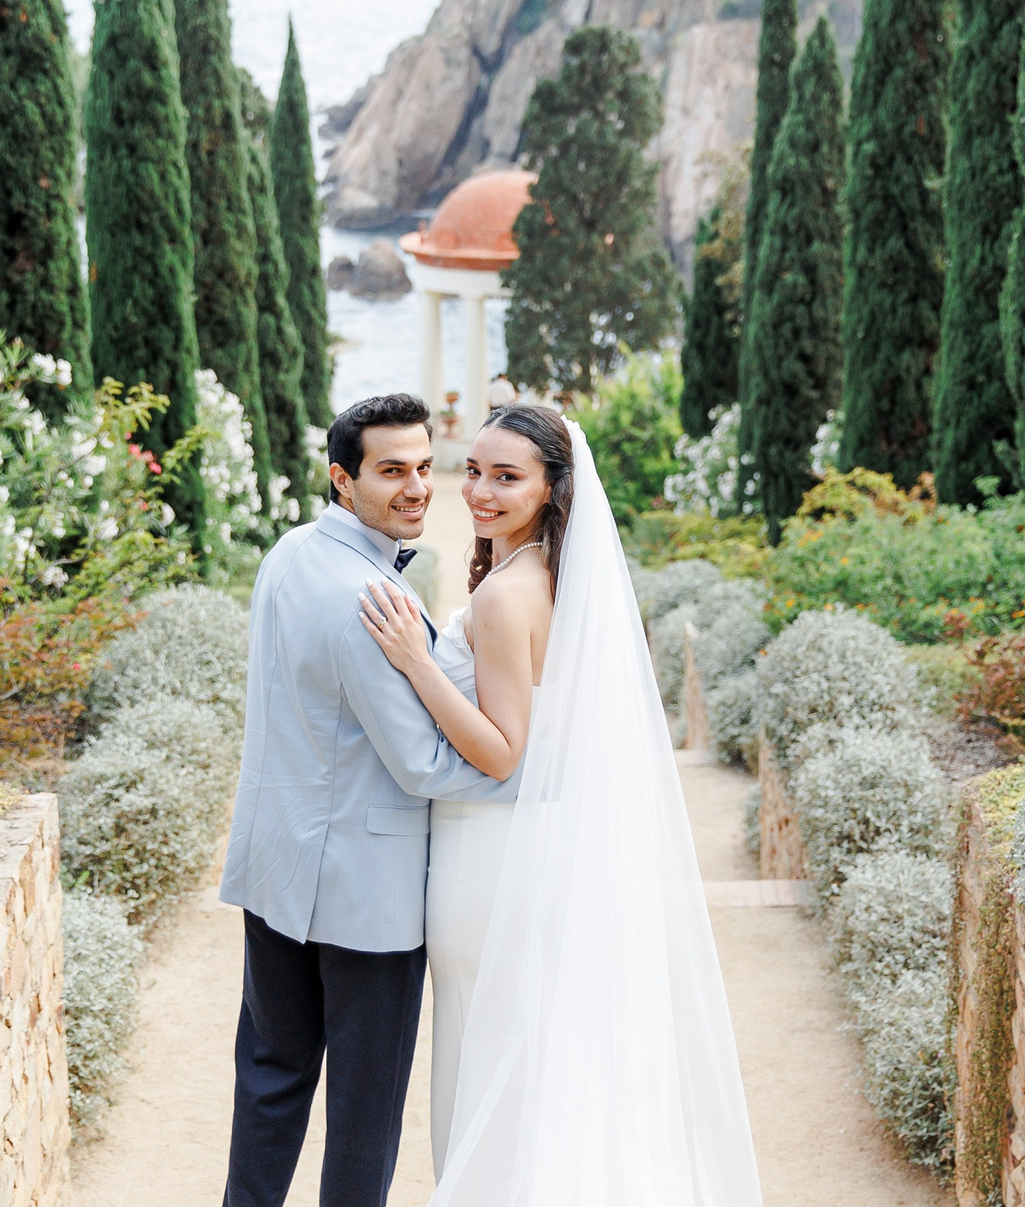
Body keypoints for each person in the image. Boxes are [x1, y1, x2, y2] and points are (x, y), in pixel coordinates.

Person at [356, 405, 763, 1204]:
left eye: (507, 477)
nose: (478, 490)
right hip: (524, 851)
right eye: (472, 469)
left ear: (551, 490)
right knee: (530, 1058)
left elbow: (505, 748)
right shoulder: (544, 576)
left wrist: (415, 662)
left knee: (490, 1061)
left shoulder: (509, 596)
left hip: (489, 855)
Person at [217, 393, 512, 1207]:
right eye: (392, 471)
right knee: (363, 1110)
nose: (416, 487)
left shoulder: (288, 552)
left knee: (270, 1078)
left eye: (424, 466)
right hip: (367, 896)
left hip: (277, 868)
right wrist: (522, 774)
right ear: (343, 480)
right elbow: (421, 764)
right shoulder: (374, 604)